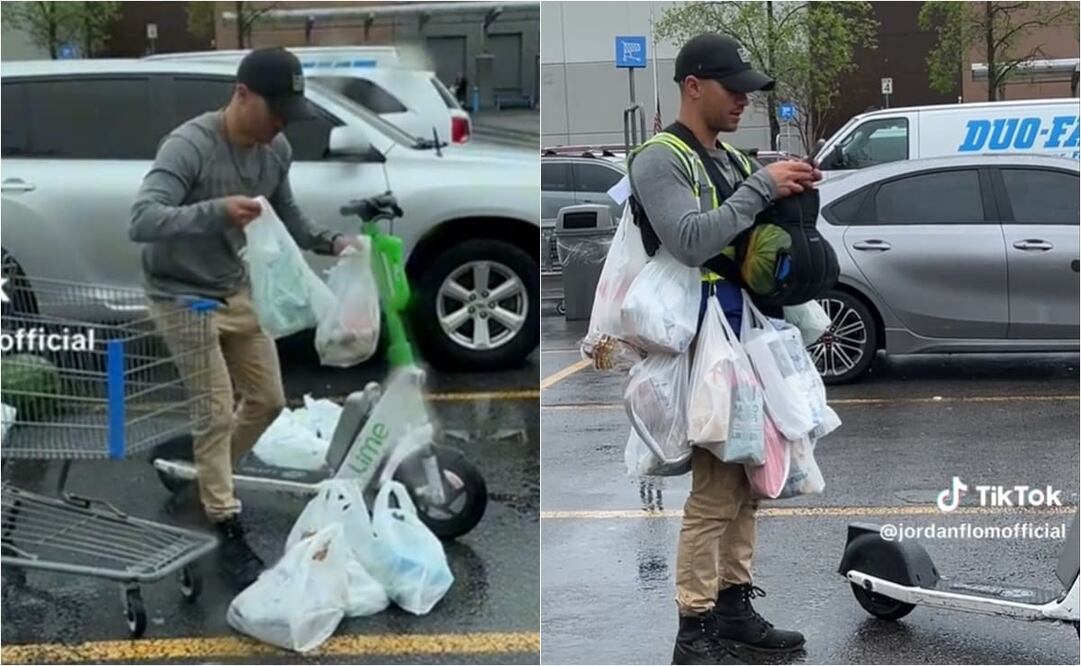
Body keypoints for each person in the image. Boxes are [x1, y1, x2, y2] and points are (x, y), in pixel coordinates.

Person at [129, 47, 358, 589]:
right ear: (241, 94)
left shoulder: (275, 149)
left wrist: (332, 241)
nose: (281, 124)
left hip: (233, 288)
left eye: (288, 114)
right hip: (180, 295)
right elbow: (142, 219)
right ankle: (222, 520)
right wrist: (217, 211)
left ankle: (204, 476)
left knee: (268, 399)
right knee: (213, 409)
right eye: (274, 110)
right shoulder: (190, 145)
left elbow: (287, 212)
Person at [626, 33, 821, 665]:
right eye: (732, 88)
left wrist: (792, 199)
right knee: (714, 491)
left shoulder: (732, 160)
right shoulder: (660, 158)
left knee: (746, 482)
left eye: (747, 91)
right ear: (692, 86)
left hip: (747, 338)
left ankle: (734, 610)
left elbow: (752, 239)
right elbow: (688, 240)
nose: (743, 100)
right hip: (703, 344)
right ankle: (694, 629)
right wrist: (763, 188)